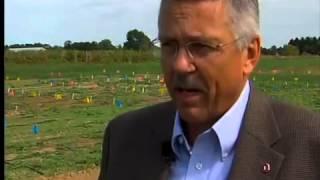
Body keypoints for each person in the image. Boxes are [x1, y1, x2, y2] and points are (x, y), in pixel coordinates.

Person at [98, 0, 320, 179]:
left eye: (201, 46)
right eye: (169, 45)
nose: (180, 65)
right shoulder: (123, 138)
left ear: (250, 54)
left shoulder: (309, 147)